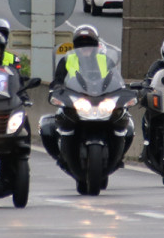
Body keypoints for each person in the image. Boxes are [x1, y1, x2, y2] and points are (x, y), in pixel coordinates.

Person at [41, 25, 131, 163]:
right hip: (76, 100)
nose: (85, 49)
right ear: (76, 47)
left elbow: (116, 79)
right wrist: (57, 89)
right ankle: (61, 155)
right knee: (50, 124)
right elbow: (58, 81)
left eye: (89, 45)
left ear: (95, 46)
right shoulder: (67, 61)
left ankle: (118, 156)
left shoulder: (105, 61)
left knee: (127, 123)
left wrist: (122, 90)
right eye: (81, 46)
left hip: (101, 99)